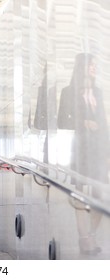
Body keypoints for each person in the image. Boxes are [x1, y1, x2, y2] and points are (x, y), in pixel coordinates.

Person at [58, 53, 109, 255]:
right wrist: (83, 123)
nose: (94, 68)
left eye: (96, 65)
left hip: (98, 150)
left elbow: (104, 125)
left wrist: (108, 151)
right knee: (79, 192)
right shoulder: (68, 92)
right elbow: (62, 121)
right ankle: (84, 238)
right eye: (91, 65)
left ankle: (92, 234)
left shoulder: (98, 91)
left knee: (99, 193)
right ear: (82, 67)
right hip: (80, 148)